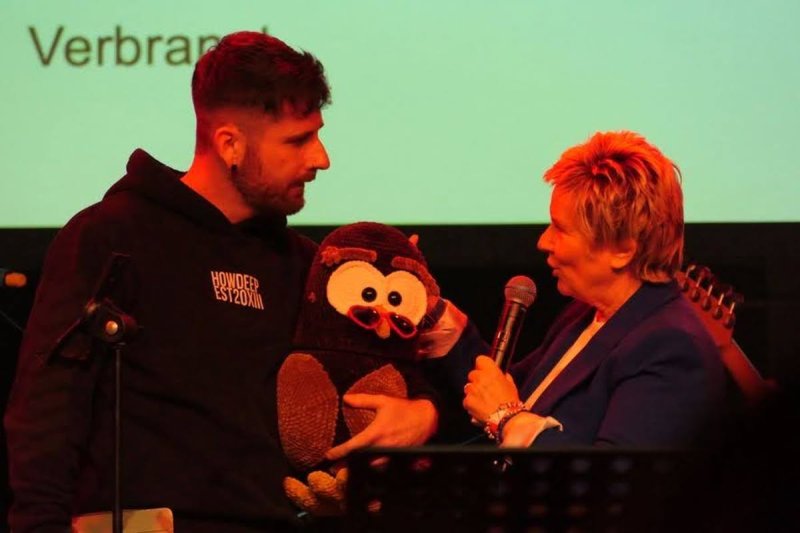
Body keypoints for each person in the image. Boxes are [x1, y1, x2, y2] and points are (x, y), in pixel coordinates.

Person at [4, 31, 439, 532]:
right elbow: (48, 413)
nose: (321, 159)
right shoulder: (113, 236)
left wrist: (423, 415)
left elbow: (388, 380)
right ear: (230, 143)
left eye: (317, 134)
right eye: (297, 140)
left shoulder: (305, 265)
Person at [463, 130, 726, 448]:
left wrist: (507, 419)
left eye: (560, 229)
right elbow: (499, 391)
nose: (543, 241)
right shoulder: (585, 314)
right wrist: (450, 332)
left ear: (622, 250)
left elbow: (615, 473)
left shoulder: (671, 349)